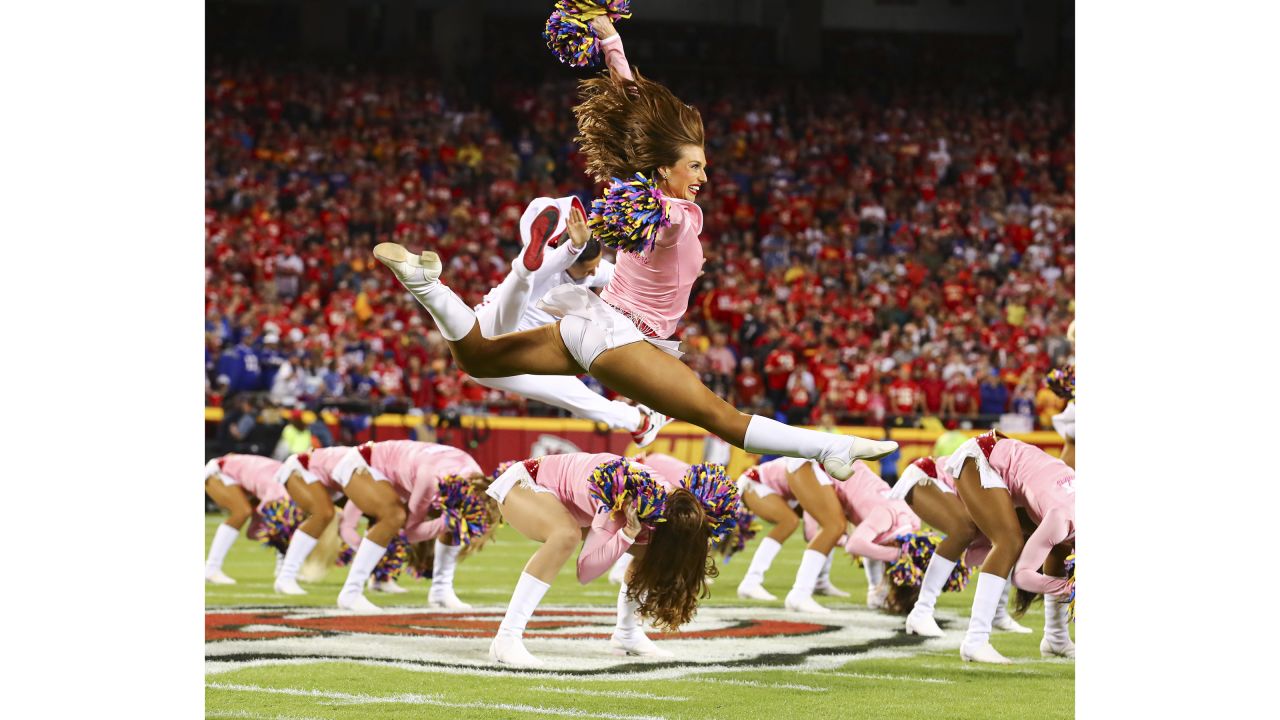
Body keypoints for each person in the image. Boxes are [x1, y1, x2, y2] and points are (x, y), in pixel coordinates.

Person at [371, 16, 895, 484]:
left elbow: (634, 113)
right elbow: (664, 213)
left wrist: (611, 41)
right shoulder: (675, 213)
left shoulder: (642, 195)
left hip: (586, 326)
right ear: (665, 171)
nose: (704, 177)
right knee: (722, 419)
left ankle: (427, 284)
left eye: (705, 168)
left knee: (479, 359)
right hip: (622, 337)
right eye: (695, 167)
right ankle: (832, 447)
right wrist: (649, 208)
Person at [484, 452, 730, 666]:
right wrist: (626, 534)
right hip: (526, 484)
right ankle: (507, 637)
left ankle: (627, 632)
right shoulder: (623, 504)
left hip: (568, 504)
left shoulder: (675, 513)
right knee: (566, 534)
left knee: (650, 554)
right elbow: (586, 570)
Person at [469, 195, 670, 447]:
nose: (594, 273)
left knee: (574, 395)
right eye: (588, 269)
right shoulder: (545, 263)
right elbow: (544, 261)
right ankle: (521, 269)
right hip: (483, 334)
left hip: (512, 362)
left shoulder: (592, 270)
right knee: (524, 276)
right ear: (569, 260)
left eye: (596, 266)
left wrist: (678, 273)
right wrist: (572, 248)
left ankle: (640, 423)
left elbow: (637, 279)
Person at [944, 430, 1075, 663]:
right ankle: (975, 640)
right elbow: (1022, 576)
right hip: (982, 456)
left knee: (1060, 549)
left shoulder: (1068, 523)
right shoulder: (1062, 518)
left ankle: (1056, 638)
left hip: (1014, 468)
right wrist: (1067, 588)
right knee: (1008, 541)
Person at [335, 440, 499, 610]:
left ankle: (441, 591)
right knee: (394, 516)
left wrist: (455, 522)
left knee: (456, 524)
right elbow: (408, 532)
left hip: (400, 470)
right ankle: (351, 592)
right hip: (363, 463)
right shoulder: (430, 479)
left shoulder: (475, 479)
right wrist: (445, 522)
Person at [887, 455, 1031, 638]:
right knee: (962, 530)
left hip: (945, 481)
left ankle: (998, 613)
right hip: (927, 475)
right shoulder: (1021, 481)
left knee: (1008, 542)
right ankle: (921, 612)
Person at [733, 457, 850, 612]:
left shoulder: (823, 472)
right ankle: (750, 582)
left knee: (826, 525)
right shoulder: (814, 472)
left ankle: (820, 582)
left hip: (775, 489)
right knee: (789, 521)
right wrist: (844, 541)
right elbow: (810, 532)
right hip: (754, 482)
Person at [271, 446, 356, 596]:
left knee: (326, 514)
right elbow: (348, 525)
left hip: (326, 478)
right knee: (323, 513)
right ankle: (285, 576)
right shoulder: (367, 470)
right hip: (302, 468)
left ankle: (380, 579)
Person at [204, 453, 291, 584]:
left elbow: (253, 532)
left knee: (284, 529)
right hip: (219, 472)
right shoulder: (280, 489)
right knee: (241, 512)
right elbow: (274, 525)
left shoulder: (286, 482)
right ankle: (211, 569)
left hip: (242, 479)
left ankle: (285, 570)